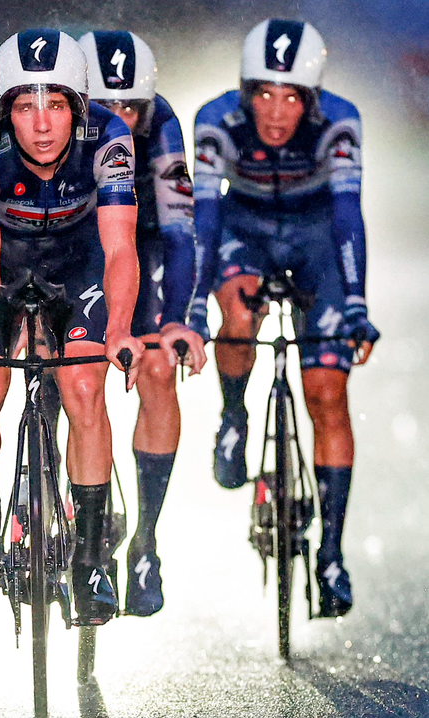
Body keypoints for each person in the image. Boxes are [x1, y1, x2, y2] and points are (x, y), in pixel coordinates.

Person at [0, 28, 145, 626]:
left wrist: (122, 330)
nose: (43, 123)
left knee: (83, 389)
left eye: (56, 104)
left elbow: (121, 249)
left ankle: (89, 558)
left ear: (79, 106)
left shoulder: (110, 139)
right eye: (25, 106)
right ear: (5, 113)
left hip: (80, 265)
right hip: (0, 268)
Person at [190, 19, 380, 617]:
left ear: (314, 98)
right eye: (264, 94)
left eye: (292, 96)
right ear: (245, 92)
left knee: (326, 392)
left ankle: (331, 553)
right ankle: (232, 414)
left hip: (316, 238)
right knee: (237, 309)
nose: (276, 111)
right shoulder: (215, 120)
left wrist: (355, 304)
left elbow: (348, 213)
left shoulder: (340, 122)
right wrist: (197, 301)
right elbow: (203, 219)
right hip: (242, 228)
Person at [77, 30, 206, 616]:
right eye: (106, 106)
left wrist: (177, 319)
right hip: (74, 244)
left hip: (144, 243)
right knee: (67, 371)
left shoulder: (166, 127)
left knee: (155, 369)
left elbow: (181, 234)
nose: (121, 119)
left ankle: (146, 541)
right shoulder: (53, 118)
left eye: (132, 107)